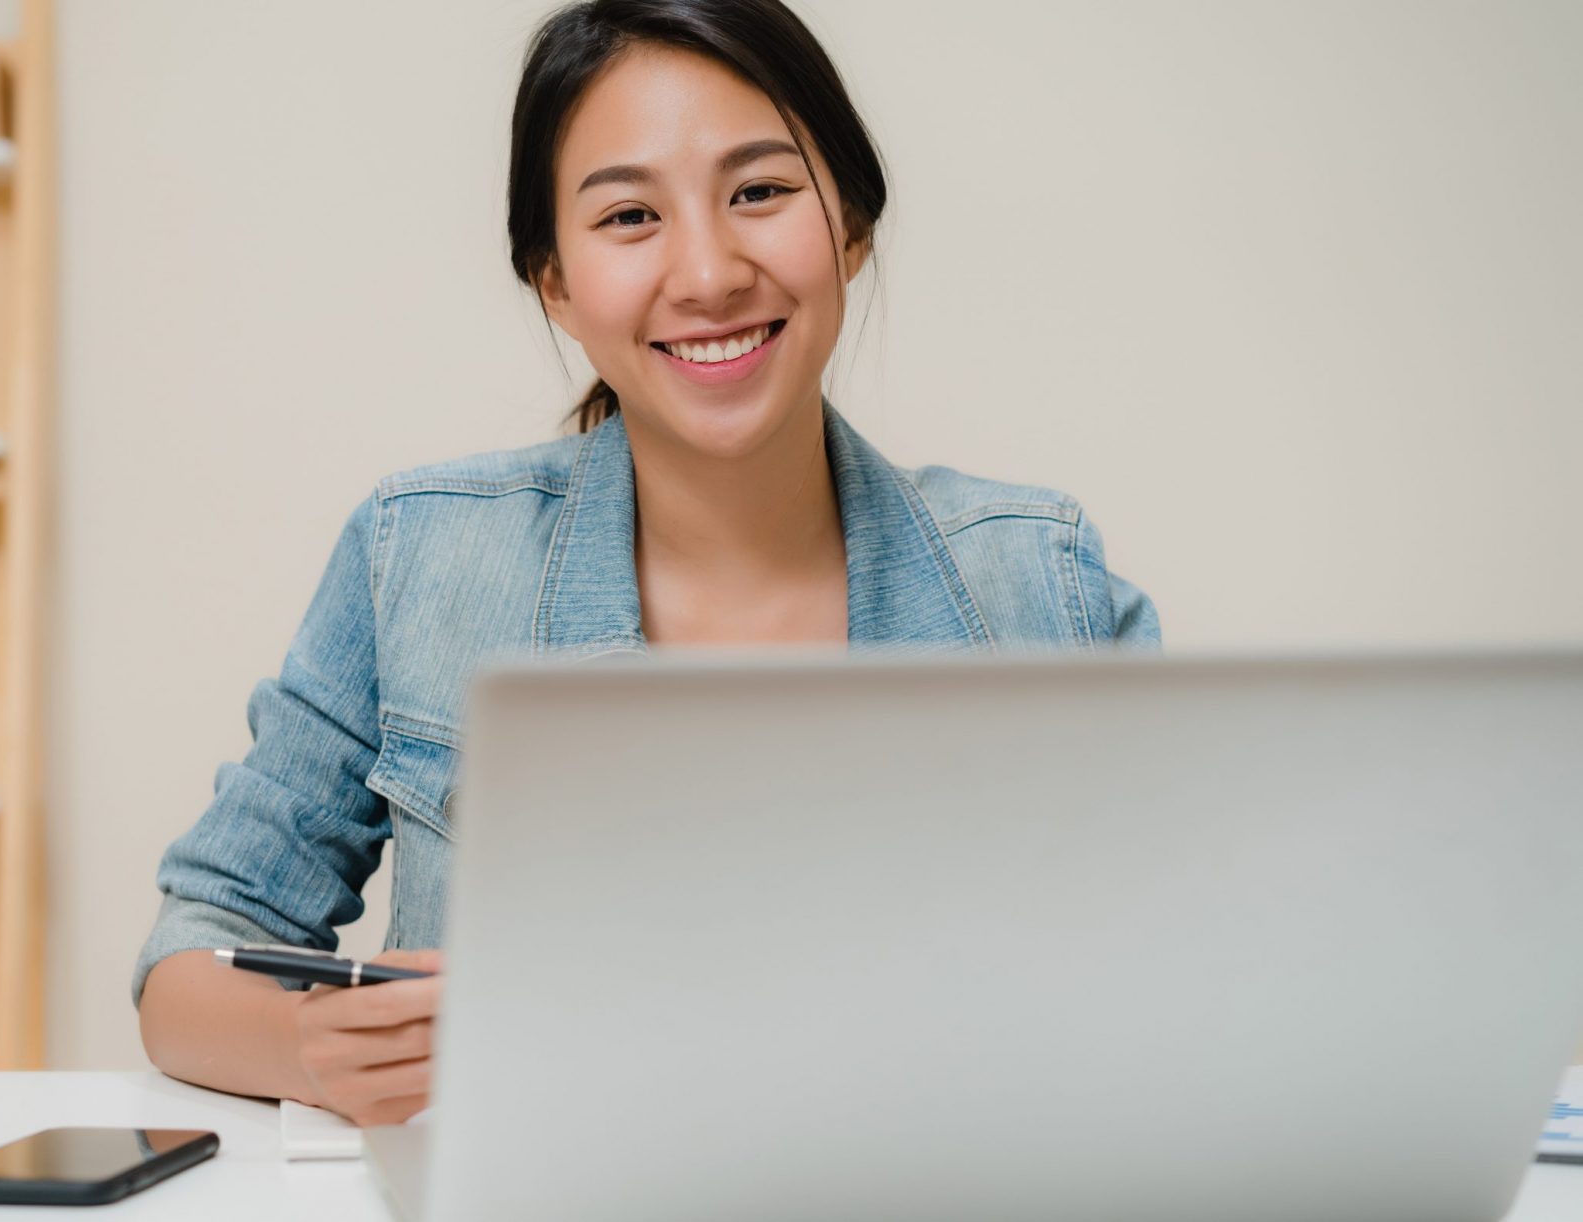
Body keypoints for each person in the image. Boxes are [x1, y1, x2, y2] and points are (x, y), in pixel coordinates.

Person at [134, 0, 1160, 1128]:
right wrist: (313, 1049)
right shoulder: (417, 551)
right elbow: (189, 964)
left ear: (852, 229)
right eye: (630, 214)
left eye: (760, 192)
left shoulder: (1041, 579)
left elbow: (1191, 974)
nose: (710, 271)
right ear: (557, 283)